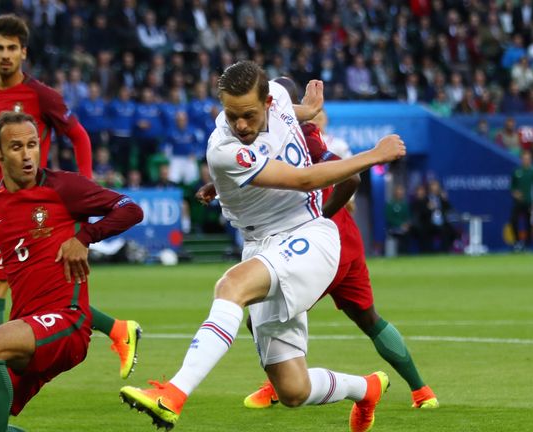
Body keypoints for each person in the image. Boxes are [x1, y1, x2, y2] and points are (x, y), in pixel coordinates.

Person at [120, 61, 405, 432]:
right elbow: (303, 180)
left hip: (309, 236)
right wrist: (375, 154)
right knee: (292, 389)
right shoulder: (224, 149)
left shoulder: (281, 98)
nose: (240, 125)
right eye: (231, 114)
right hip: (261, 245)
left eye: (249, 115)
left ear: (269, 102)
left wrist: (312, 108)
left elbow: (296, 113)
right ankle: (365, 388)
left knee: (230, 287)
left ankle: (172, 394)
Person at [0, 14, 139, 402]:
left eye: (12, 48)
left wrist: (85, 194)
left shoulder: (42, 96)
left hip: (34, 204)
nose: (5, 55)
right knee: (21, 289)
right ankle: (118, 329)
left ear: (23, 52)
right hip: (2, 205)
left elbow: (78, 134)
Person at [234, 78, 437, 411]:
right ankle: (422, 391)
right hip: (346, 239)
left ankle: (277, 386)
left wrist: (317, 219)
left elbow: (348, 179)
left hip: (317, 244)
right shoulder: (279, 138)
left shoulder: (303, 138)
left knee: (261, 316)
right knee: (369, 318)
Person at [0, 111, 143, 432]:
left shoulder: (64, 187)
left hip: (67, 321)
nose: (27, 155)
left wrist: (84, 237)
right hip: (25, 329)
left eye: (32, 145)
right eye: (16, 147)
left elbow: (130, 208)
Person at [510, 151, 533, 251]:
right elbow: (512, 186)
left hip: (530, 202)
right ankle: (517, 242)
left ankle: (526, 245)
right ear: (521, 160)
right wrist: (514, 192)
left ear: (530, 160)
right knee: (513, 220)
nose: (526, 160)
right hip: (519, 202)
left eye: (528, 159)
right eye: (524, 158)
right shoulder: (517, 171)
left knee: (529, 223)